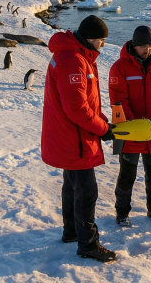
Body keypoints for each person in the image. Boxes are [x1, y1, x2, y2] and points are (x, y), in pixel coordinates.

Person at [41, 15, 117, 262]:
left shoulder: (75, 55)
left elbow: (86, 103)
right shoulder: (73, 60)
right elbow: (77, 110)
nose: (103, 45)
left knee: (72, 186)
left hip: (69, 136)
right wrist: (102, 129)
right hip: (74, 139)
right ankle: (88, 245)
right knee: (86, 191)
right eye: (102, 40)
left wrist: (103, 121)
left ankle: (71, 232)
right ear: (91, 38)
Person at [108, 26, 151, 226]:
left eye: (149, 46)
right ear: (134, 45)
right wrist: (136, 128)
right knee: (127, 176)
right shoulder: (120, 67)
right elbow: (118, 100)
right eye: (142, 46)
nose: (146, 50)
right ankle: (122, 212)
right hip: (131, 133)